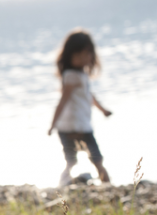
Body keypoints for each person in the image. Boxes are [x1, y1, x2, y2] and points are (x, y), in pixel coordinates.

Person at [48, 30, 112, 186]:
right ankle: (106, 185)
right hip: (75, 126)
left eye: (87, 54)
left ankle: (64, 185)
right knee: (92, 158)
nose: (84, 58)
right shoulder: (71, 76)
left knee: (75, 159)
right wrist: (52, 124)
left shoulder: (80, 75)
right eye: (79, 55)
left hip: (75, 125)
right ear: (70, 56)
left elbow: (89, 95)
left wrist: (102, 110)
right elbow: (63, 100)